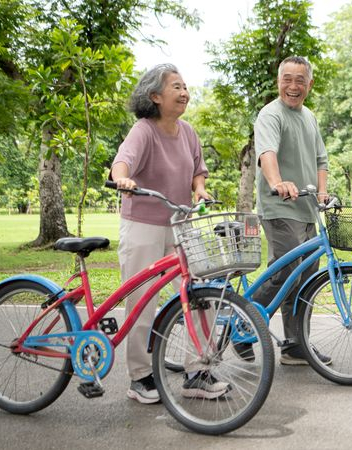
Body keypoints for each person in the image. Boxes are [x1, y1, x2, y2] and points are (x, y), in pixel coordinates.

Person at [111, 64, 228, 403]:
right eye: (175, 87)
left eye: (185, 86)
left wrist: (200, 189)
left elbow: (197, 172)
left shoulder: (188, 131)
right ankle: (140, 377)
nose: (184, 92)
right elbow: (123, 161)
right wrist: (123, 179)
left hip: (181, 223)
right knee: (142, 301)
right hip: (143, 225)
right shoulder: (143, 131)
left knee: (200, 294)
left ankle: (197, 372)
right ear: (155, 97)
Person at [252, 56, 332, 366]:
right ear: (278, 81)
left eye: (300, 80)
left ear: (309, 84)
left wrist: (322, 192)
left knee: (306, 278)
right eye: (287, 79)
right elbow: (267, 153)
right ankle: (242, 324)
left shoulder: (309, 116)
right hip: (279, 206)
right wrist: (277, 182)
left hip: (307, 208)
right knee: (285, 270)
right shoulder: (271, 115)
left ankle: (296, 344)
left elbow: (321, 160)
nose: (293, 86)